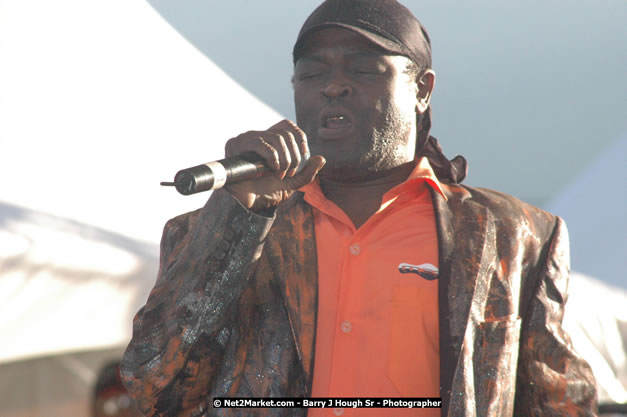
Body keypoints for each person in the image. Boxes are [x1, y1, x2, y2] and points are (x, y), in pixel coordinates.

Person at [120, 0, 598, 416]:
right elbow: (155, 390)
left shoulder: (517, 235)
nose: (333, 86)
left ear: (422, 89)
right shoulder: (222, 227)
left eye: (363, 68)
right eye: (311, 73)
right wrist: (238, 218)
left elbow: (560, 403)